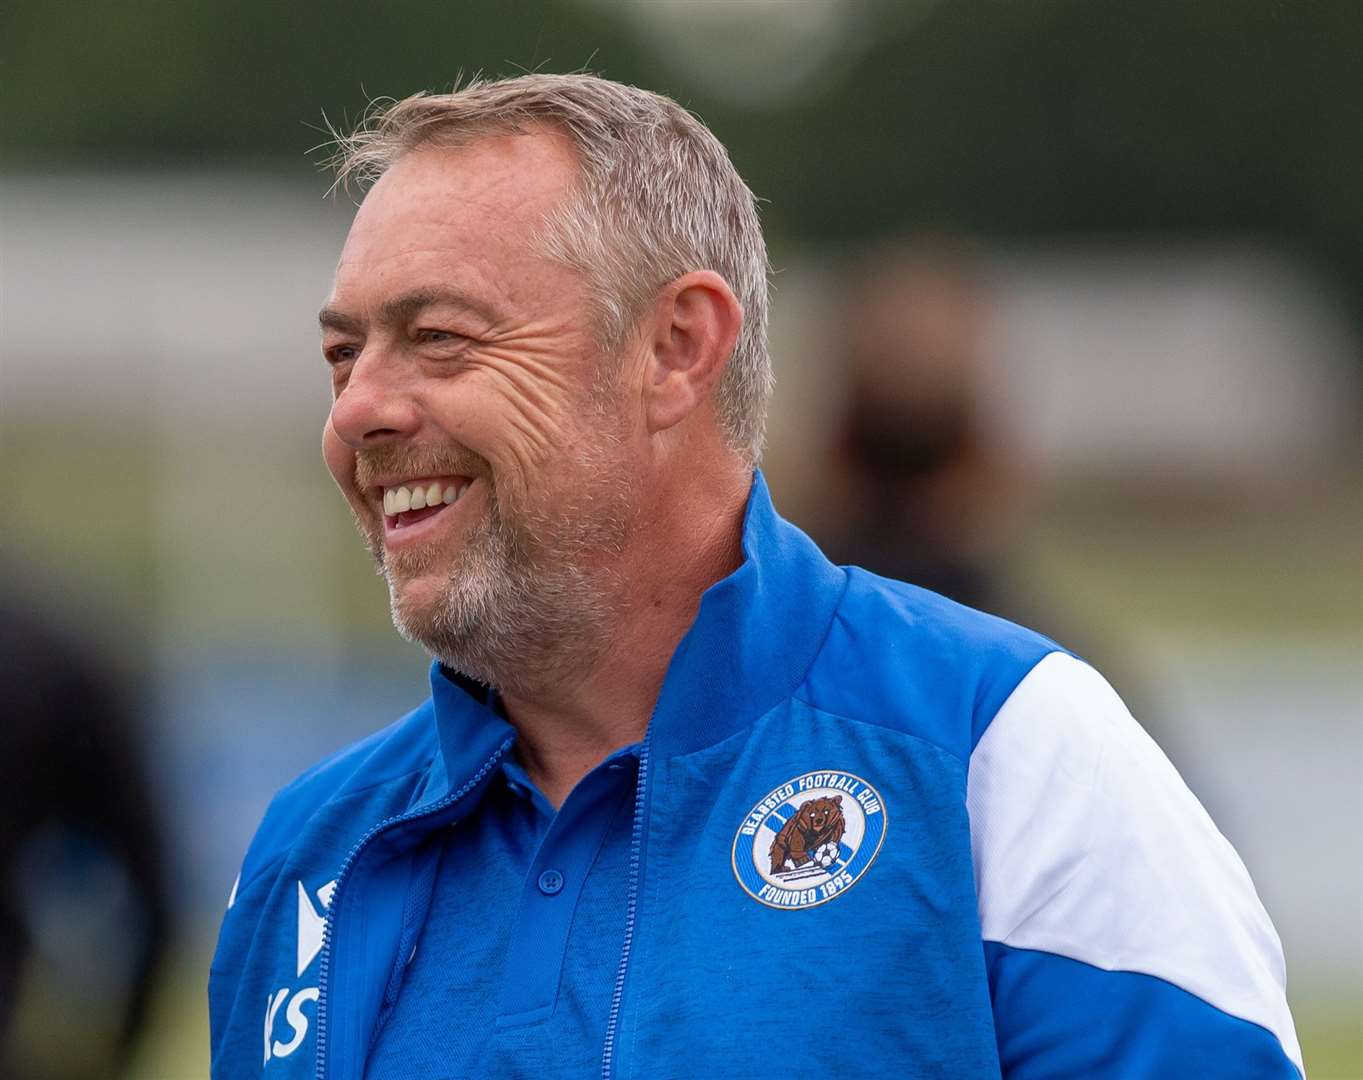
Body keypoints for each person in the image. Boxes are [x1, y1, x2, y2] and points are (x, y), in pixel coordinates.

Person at [209, 74, 1302, 1079]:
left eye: (438, 336)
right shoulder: (311, 856)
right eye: (343, 356)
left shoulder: (1002, 750)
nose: (358, 410)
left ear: (677, 347)